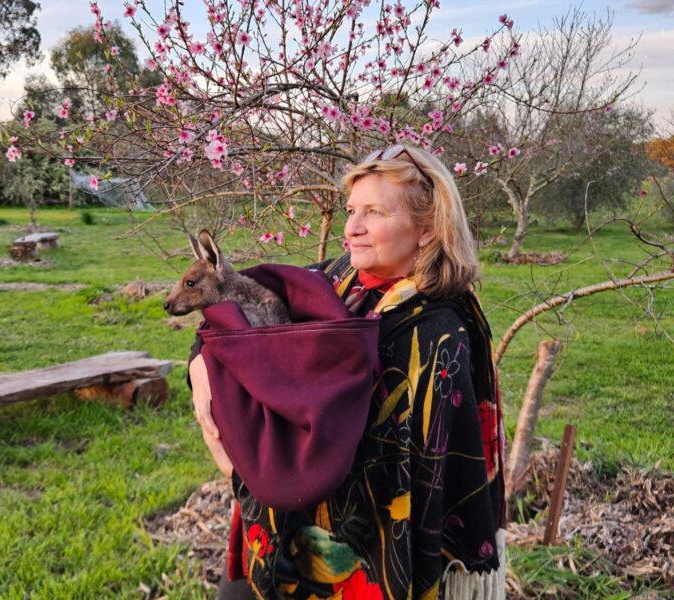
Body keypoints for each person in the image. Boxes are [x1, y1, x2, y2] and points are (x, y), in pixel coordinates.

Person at [190, 145, 506, 599]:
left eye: (374, 212)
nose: (352, 228)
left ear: (428, 228)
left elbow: (423, 481)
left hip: (362, 560)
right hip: (270, 526)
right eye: (351, 210)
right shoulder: (333, 282)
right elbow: (228, 311)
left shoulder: (438, 337)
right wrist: (201, 362)